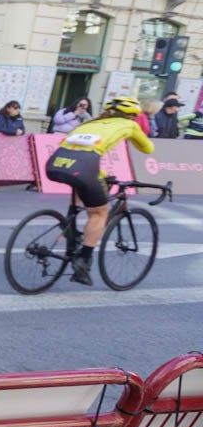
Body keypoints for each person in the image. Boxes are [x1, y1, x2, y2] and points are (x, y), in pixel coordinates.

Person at [45, 96, 155, 286]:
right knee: (98, 213)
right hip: (84, 166)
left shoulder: (89, 123)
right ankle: (84, 259)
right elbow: (148, 149)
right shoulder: (129, 125)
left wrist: (101, 172)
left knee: (82, 182)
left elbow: (76, 151)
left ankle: (71, 228)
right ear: (132, 115)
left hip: (55, 163)